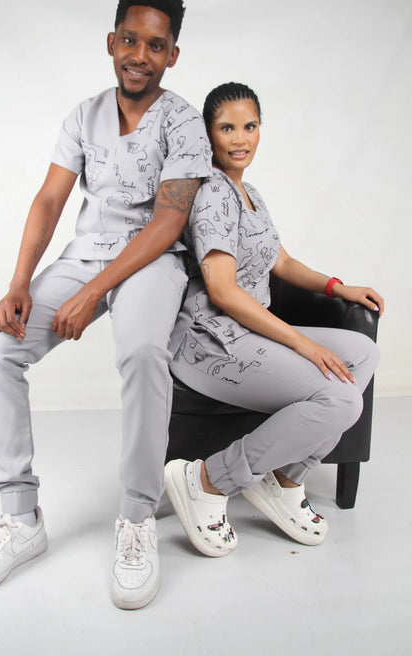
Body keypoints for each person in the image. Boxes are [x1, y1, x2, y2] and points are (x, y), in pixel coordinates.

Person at [0, 0, 211, 610]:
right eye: (130, 40)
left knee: (142, 353)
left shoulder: (184, 123)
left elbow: (168, 223)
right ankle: (20, 518)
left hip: (151, 260)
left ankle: (138, 517)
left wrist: (96, 292)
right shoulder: (83, 116)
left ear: (173, 55)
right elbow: (49, 200)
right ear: (111, 42)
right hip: (86, 254)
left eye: (156, 45)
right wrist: (18, 285)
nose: (140, 55)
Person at [165, 82, 383, 557]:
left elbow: (280, 262)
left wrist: (337, 287)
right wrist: (303, 344)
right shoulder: (213, 193)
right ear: (209, 133)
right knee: (342, 399)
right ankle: (209, 481)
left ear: (260, 129)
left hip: (250, 330)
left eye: (249, 126)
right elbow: (222, 291)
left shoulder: (250, 193)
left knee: (364, 352)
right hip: (211, 341)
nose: (240, 139)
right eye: (227, 128)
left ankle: (285, 477)